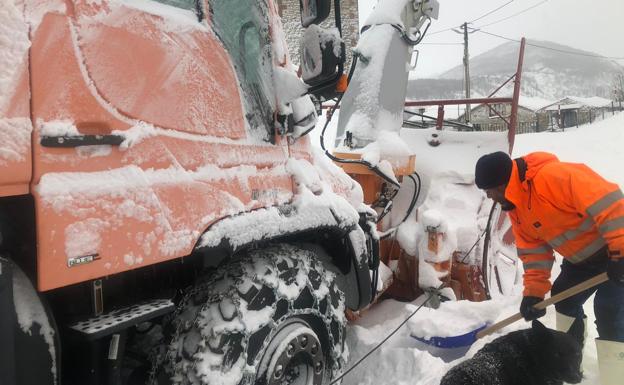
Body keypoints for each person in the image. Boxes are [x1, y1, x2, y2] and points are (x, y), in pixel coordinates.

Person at [474, 151, 624, 385]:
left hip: (616, 253)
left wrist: (620, 251)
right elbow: (534, 253)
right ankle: (571, 362)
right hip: (581, 262)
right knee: (563, 301)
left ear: (502, 182)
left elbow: (611, 202)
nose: (489, 196)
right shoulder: (517, 208)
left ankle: (615, 379)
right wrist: (533, 293)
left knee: (609, 311)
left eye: (490, 190)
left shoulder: (553, 177)